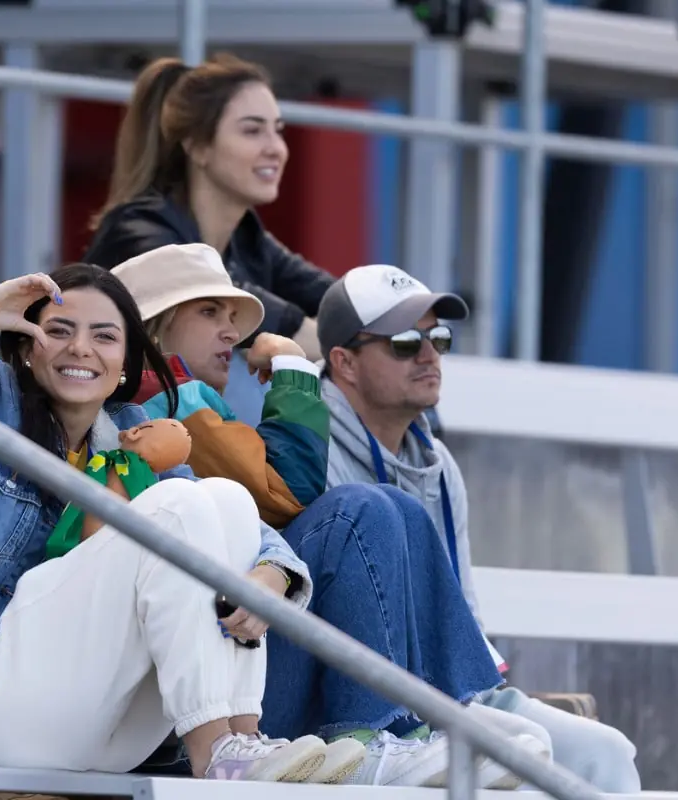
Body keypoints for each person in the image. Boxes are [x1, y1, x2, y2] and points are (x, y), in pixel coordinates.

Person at [0, 263, 343, 784]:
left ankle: (242, 741)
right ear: (27, 345)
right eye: (59, 330)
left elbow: (231, 520)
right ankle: (216, 754)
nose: (81, 349)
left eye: (104, 336)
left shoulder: (132, 429)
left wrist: (276, 572)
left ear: (126, 362)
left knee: (224, 496)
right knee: (180, 503)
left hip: (113, 723)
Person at [114, 244, 542, 788]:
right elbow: (287, 492)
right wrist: (295, 368)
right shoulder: (164, 407)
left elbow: (264, 510)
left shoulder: (194, 406)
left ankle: (409, 725)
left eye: (439, 339)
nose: (231, 332)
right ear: (154, 331)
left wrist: (277, 565)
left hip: (231, 677)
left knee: (390, 507)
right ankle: (374, 731)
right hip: (191, 710)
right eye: (208, 312)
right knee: (358, 512)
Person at [315, 263, 642, 793]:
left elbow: (464, 612)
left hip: (450, 690)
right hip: (367, 707)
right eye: (404, 342)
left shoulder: (439, 463)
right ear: (344, 363)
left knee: (606, 751)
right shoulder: (310, 448)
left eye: (438, 338)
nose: (429, 355)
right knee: (525, 749)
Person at [83, 53, 334, 425]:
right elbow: (280, 318)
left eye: (277, 130)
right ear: (197, 146)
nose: (276, 148)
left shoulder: (248, 237)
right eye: (252, 130)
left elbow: (338, 301)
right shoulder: (140, 229)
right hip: (124, 437)